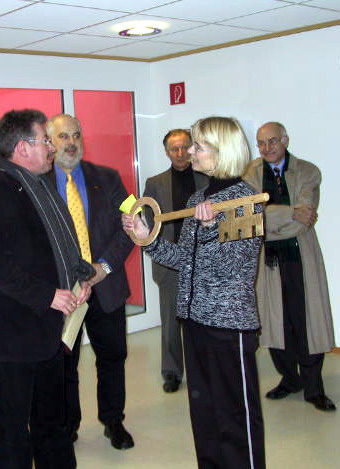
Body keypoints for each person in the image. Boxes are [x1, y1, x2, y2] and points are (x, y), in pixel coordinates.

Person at [123, 116, 265, 469]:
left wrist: (212, 227)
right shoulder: (199, 197)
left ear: (220, 151)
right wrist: (147, 238)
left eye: (198, 147)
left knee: (236, 415)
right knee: (205, 414)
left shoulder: (245, 200)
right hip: (194, 319)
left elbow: (237, 268)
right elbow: (186, 259)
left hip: (228, 325)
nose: (190, 152)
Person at [0, 109, 92, 469]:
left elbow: (61, 245)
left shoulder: (43, 185)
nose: (52, 148)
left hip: (50, 333)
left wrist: (81, 277)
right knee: (14, 433)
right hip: (14, 337)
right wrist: (49, 295)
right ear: (22, 148)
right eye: (45, 141)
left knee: (53, 425)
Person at [47, 114, 135, 450]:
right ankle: (67, 425)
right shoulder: (38, 182)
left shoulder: (109, 178)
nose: (71, 143)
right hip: (63, 291)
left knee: (112, 357)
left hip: (105, 286)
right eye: (63, 136)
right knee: (63, 361)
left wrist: (105, 266)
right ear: (50, 142)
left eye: (76, 135)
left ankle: (113, 421)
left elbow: (133, 221)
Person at [243, 121, 336, 411]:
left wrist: (267, 220)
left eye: (272, 141)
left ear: (285, 140)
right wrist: (289, 213)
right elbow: (248, 218)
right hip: (266, 260)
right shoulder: (249, 174)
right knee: (273, 320)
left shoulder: (308, 171)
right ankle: (289, 379)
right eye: (261, 143)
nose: (266, 148)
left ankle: (313, 387)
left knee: (307, 320)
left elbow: (305, 218)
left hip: (301, 257)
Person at [143, 129, 207, 393]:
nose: (180, 153)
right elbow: (150, 222)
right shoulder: (155, 183)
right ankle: (171, 372)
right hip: (169, 262)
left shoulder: (208, 177)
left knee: (202, 319)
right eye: (174, 149)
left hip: (203, 258)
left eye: (184, 147)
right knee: (170, 320)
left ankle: (203, 369)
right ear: (167, 152)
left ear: (192, 147)